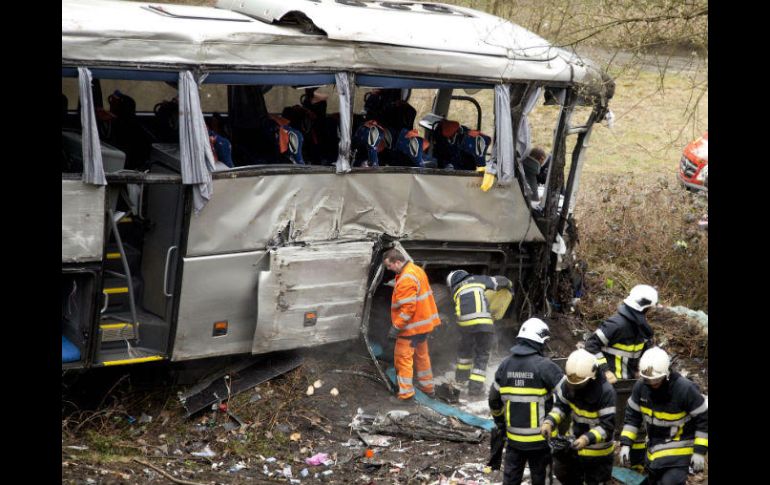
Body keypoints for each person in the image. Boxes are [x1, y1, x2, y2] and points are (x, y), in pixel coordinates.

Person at [489, 318, 564, 485]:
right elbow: (567, 397)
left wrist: (501, 423)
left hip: (513, 441)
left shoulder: (505, 365)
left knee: (511, 480)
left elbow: (493, 400)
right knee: (542, 480)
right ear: (540, 341)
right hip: (541, 442)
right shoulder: (546, 366)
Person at [619, 347, 708, 484]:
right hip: (654, 451)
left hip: (681, 450)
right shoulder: (641, 387)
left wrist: (699, 452)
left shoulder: (685, 389)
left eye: (656, 380)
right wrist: (626, 443)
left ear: (667, 374)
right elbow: (632, 418)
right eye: (648, 380)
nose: (653, 384)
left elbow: (704, 419)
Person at [541, 349, 616, 485]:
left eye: (580, 384)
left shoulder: (605, 392)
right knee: (565, 475)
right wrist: (549, 421)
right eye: (572, 383)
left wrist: (586, 439)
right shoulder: (568, 385)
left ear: (592, 377)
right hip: (574, 447)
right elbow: (561, 406)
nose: (575, 387)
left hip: (598, 454)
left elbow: (607, 427)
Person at [383, 248, 441, 400]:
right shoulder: (416, 270)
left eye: (389, 266)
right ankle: (428, 388)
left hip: (411, 328)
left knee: (403, 359)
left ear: (397, 262)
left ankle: (406, 395)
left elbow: (408, 309)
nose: (389, 269)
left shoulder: (405, 279)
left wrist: (396, 327)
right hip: (423, 326)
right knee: (422, 356)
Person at [446, 270, 513, 396]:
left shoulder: (456, 290)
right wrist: (508, 284)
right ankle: (475, 389)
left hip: (465, 325)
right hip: (484, 324)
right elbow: (499, 281)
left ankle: (461, 379)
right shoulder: (478, 279)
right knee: (482, 355)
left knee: (464, 353)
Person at [584, 284, 658, 384]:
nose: (651, 312)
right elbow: (591, 345)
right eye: (650, 308)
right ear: (645, 308)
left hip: (630, 383)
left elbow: (644, 353)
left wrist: (639, 369)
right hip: (609, 384)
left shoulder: (643, 330)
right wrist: (605, 371)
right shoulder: (615, 325)